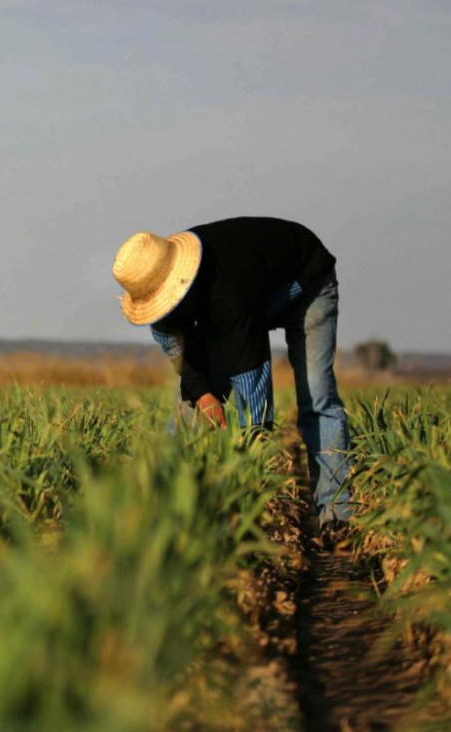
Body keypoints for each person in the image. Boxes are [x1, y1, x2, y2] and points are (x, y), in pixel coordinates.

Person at [111, 216, 352, 546]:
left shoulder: (226, 293)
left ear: (179, 284)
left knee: (316, 395)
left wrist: (250, 460)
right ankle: (167, 513)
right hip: (249, 298)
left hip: (304, 283)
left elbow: (255, 390)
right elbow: (186, 363)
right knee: (188, 410)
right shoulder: (161, 310)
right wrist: (206, 398)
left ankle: (336, 517)